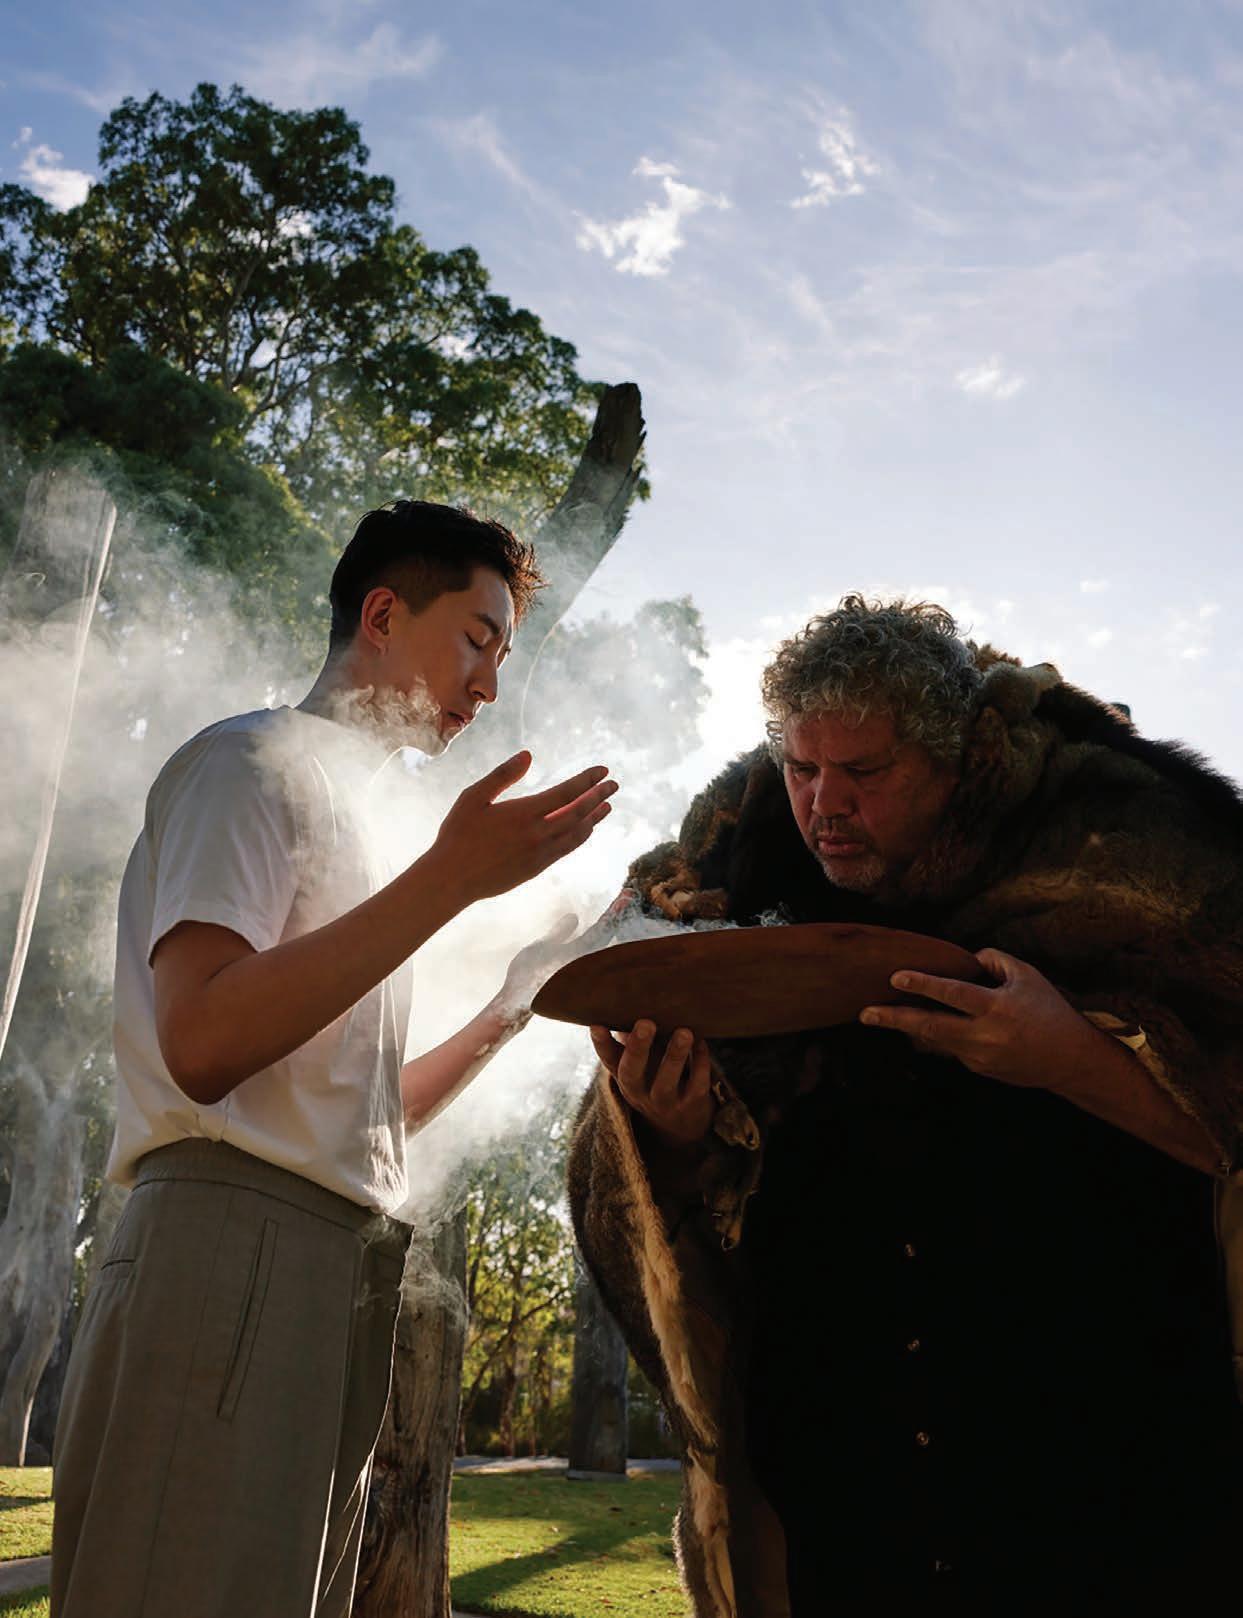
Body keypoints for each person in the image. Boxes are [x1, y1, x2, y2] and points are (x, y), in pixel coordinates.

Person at [568, 596, 1243, 1616]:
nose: (824, 804)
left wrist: (1066, 1056)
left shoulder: (1116, 842)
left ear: (955, 759)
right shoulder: (728, 869)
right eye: (802, 769)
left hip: (1096, 1452)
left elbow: (1228, 1118)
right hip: (844, 1463)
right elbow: (687, 1195)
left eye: (866, 771)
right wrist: (673, 1128)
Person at [51, 499, 617, 1618]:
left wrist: (518, 997)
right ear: (382, 613)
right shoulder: (248, 764)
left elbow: (369, 1118)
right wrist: (450, 881)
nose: (487, 687)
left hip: (328, 1267)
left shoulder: (361, 826)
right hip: (226, 1249)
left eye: (501, 656)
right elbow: (202, 1041)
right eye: (477, 639)